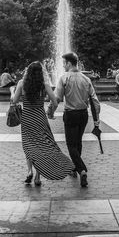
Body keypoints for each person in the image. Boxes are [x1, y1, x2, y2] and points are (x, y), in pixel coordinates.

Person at [11, 61, 74, 186]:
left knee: (29, 146)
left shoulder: (21, 84)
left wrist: (12, 91)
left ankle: (29, 172)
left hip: (27, 119)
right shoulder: (44, 84)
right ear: (41, 73)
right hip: (40, 118)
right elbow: (55, 102)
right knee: (42, 146)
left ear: (28, 72)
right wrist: (48, 110)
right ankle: (38, 177)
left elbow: (15, 100)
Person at [53, 52, 100, 188]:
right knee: (78, 142)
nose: (62, 65)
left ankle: (82, 170)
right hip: (83, 115)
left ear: (69, 63)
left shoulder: (64, 78)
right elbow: (95, 102)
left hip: (71, 114)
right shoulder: (86, 79)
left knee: (71, 145)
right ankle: (75, 168)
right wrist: (96, 122)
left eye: (64, 63)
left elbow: (57, 98)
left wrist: (50, 111)